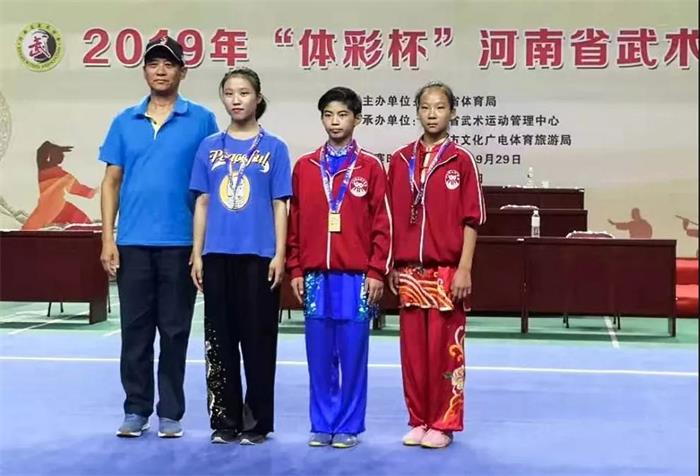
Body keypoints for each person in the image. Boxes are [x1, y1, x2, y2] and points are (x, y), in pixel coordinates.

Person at [99, 35, 218, 438]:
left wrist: (202, 246)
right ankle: (136, 409)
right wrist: (108, 239)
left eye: (169, 64)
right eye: (153, 64)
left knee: (174, 330)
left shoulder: (201, 120)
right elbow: (111, 182)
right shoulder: (124, 121)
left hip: (181, 243)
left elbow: (210, 186)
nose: (161, 71)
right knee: (135, 332)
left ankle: (170, 412)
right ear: (145, 71)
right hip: (133, 243)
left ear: (183, 71)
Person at [189, 67, 291, 445]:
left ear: (257, 98)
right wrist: (197, 253)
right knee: (220, 340)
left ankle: (257, 422)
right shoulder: (209, 147)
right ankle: (225, 420)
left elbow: (280, 204)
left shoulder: (275, 148)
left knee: (259, 340)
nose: (236, 99)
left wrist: (279, 254)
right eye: (229, 92)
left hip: (259, 256)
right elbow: (202, 201)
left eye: (244, 92)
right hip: (217, 255)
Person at [286, 86, 391, 449]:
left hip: (356, 277)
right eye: (328, 115)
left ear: (356, 119)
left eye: (343, 115)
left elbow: (383, 225)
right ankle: (322, 423)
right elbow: (294, 223)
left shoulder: (370, 167)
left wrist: (376, 271)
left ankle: (348, 425)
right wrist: (295, 269)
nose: (335, 122)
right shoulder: (305, 167)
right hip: (315, 276)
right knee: (319, 355)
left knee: (352, 354)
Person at [386, 81, 485, 449]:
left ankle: (443, 424)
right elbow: (390, 219)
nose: (432, 114)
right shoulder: (400, 160)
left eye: (440, 107)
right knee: (413, 355)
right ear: (417, 112)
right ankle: (419, 419)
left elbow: (472, 220)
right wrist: (392, 265)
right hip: (409, 273)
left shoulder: (461, 160)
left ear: (452, 112)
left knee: (445, 352)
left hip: (446, 272)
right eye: (426, 107)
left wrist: (464, 268)